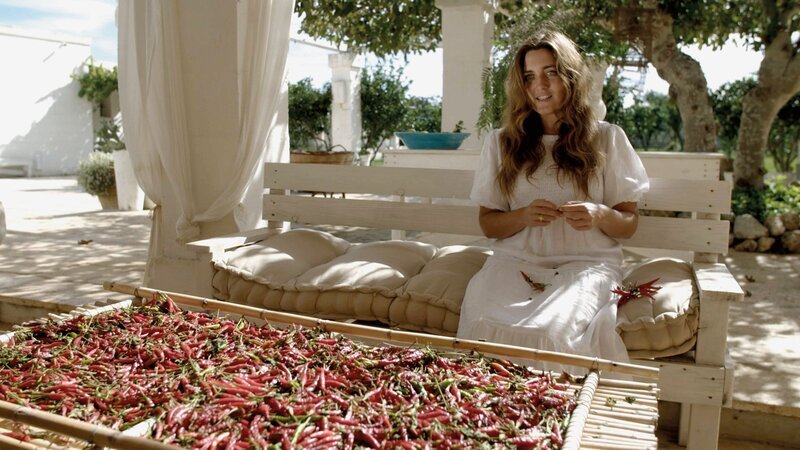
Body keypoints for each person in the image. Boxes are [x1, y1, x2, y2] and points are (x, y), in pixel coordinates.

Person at [456, 29, 649, 372]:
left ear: (570, 77)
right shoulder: (502, 143)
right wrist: (523, 216)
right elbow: (488, 223)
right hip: (514, 262)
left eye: (550, 73)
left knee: (551, 332)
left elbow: (629, 224)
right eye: (529, 76)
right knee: (485, 326)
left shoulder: (607, 138)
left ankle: (553, 416)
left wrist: (601, 214)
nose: (539, 86)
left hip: (586, 265)